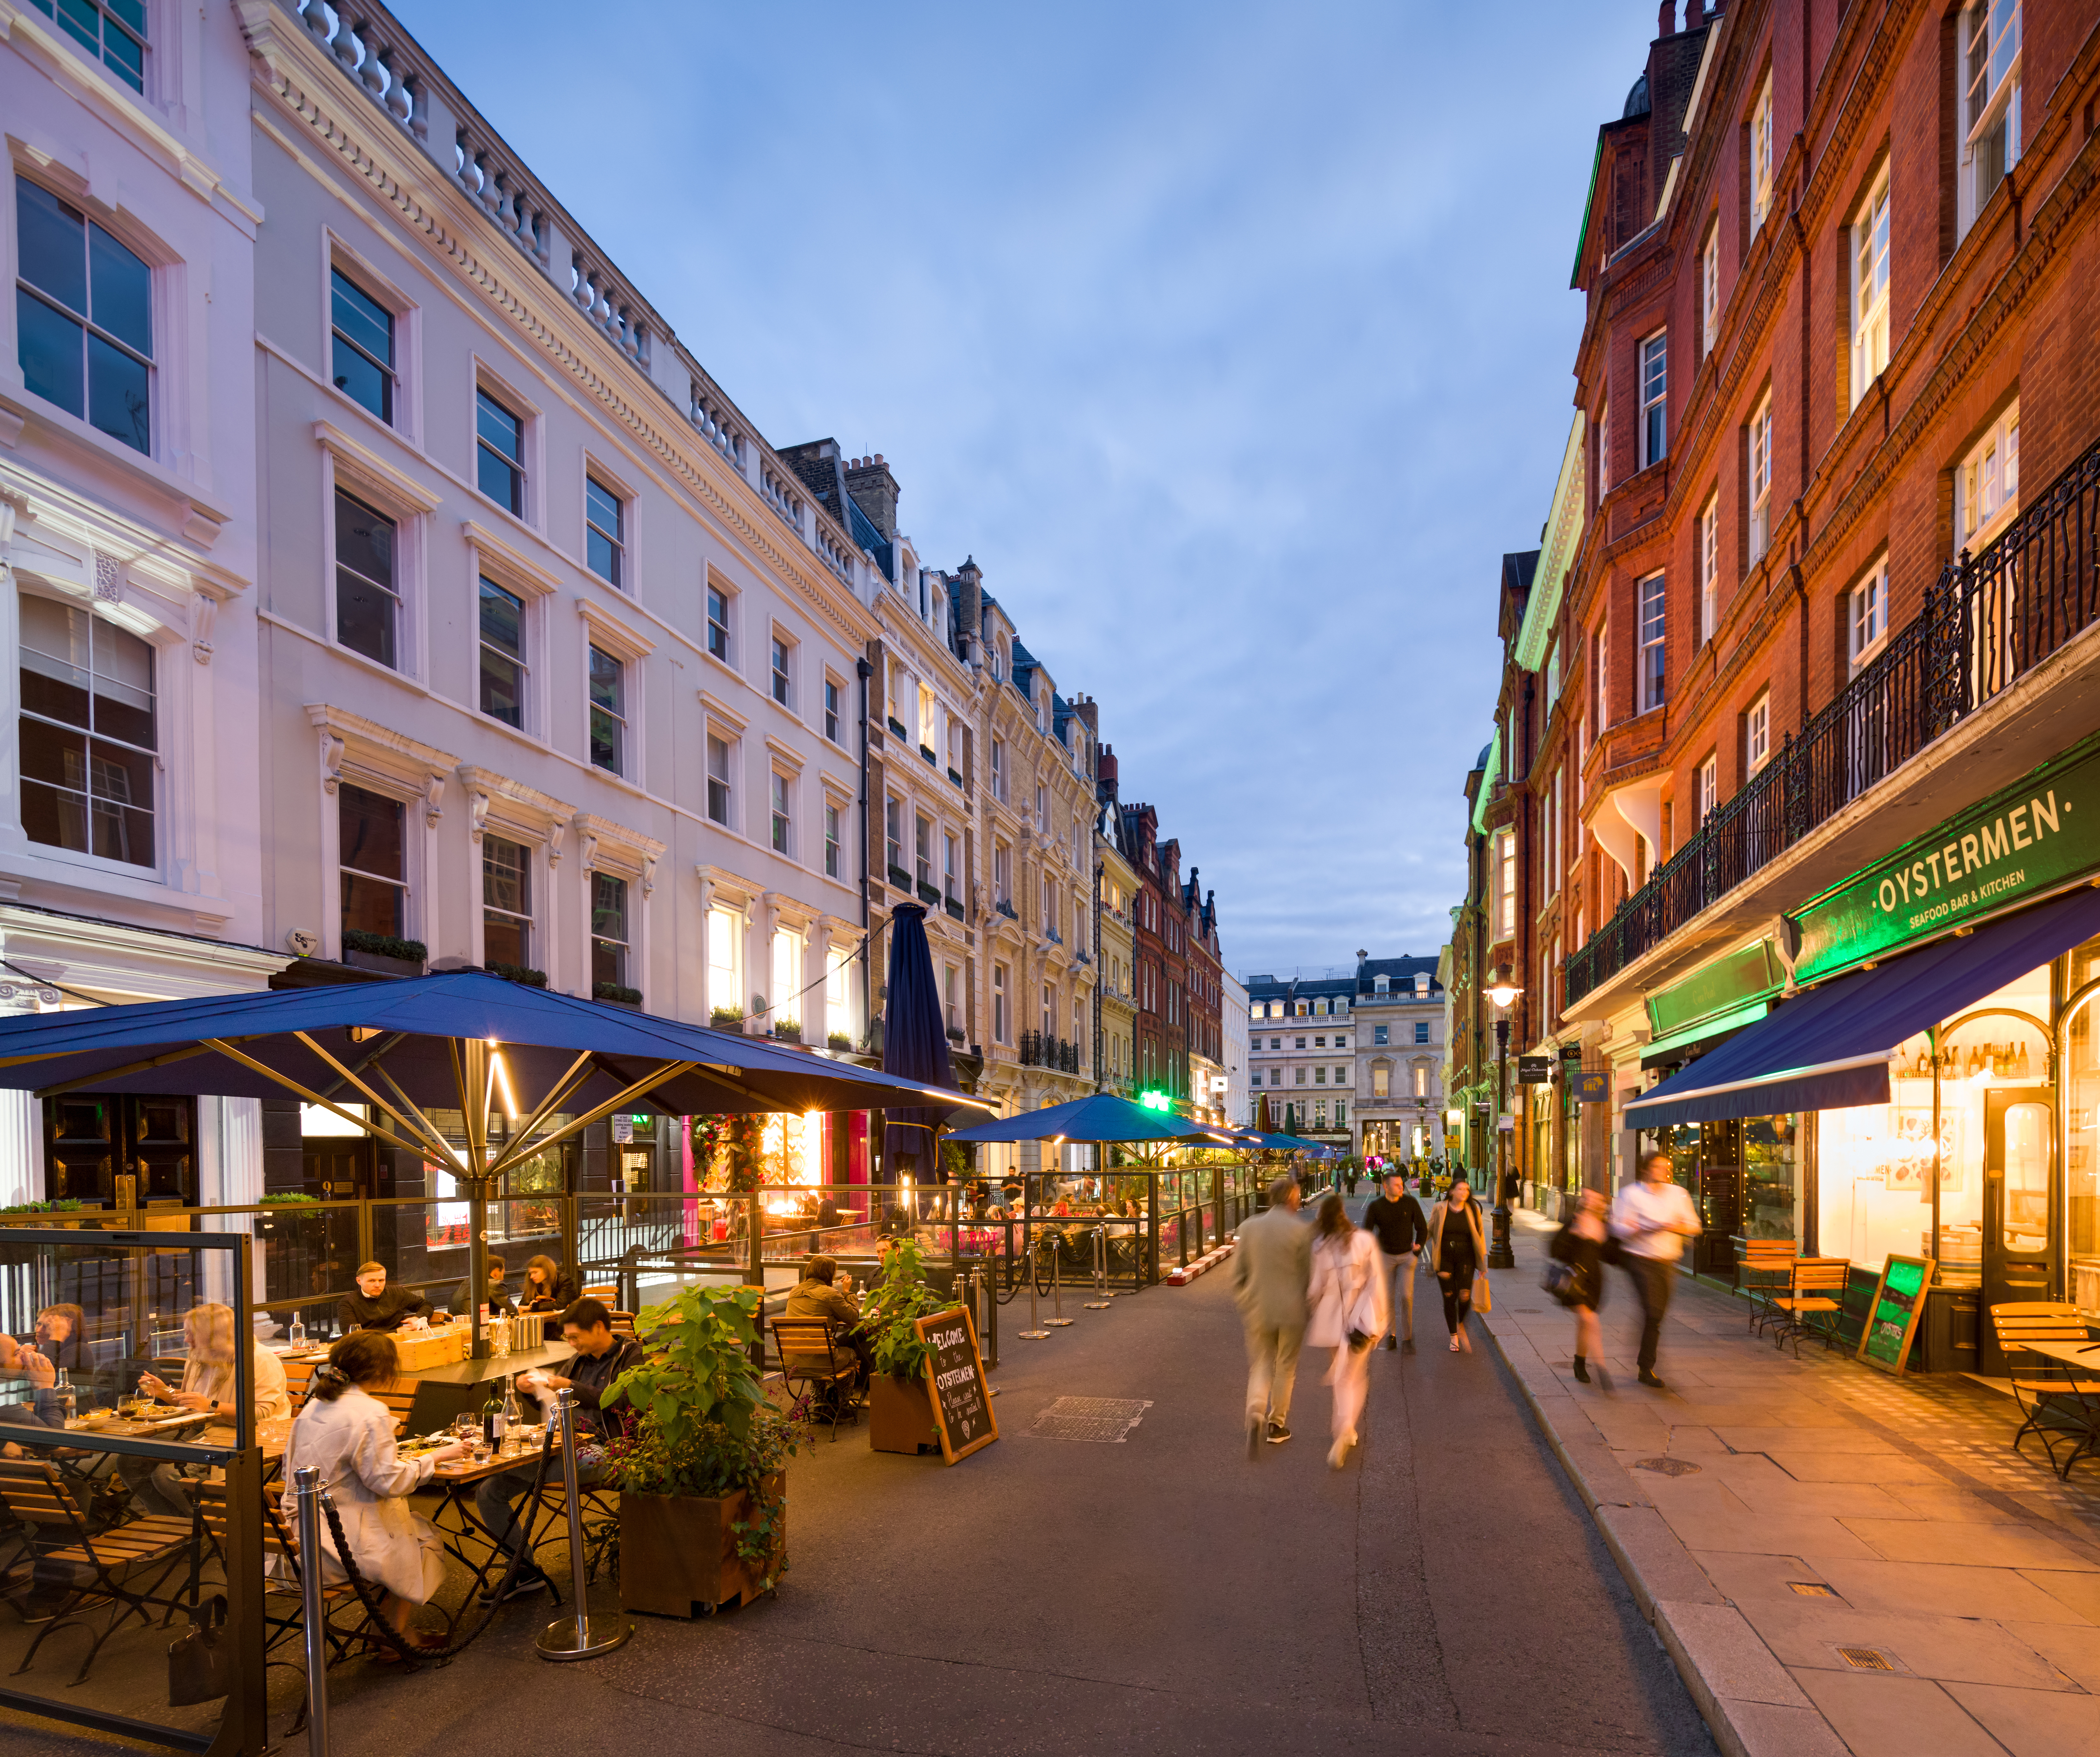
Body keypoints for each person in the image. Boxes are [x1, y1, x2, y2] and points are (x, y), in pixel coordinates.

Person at [285, 1330, 466, 1654]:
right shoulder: (371, 1412)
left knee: (406, 1528)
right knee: (422, 1537)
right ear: (385, 1370)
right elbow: (388, 1482)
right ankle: (395, 1639)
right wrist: (435, 1456)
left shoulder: (314, 1405)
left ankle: (386, 1632)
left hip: (298, 1541)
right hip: (336, 1546)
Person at [477, 1298, 645, 1601]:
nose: (570, 1343)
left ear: (598, 1328)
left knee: (514, 1465)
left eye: (573, 1337)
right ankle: (525, 1570)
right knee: (488, 1491)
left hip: (613, 1450)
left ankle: (501, 1463)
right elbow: (554, 1403)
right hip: (567, 1445)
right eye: (568, 1337)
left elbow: (624, 1402)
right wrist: (532, 1392)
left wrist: (567, 1384)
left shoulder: (632, 1356)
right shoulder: (578, 1360)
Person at [130, 1303, 293, 1516]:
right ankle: (178, 1523)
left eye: (191, 1333)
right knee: (130, 1461)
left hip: (247, 1437)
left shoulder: (258, 1359)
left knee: (166, 1475)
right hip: (202, 1427)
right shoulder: (199, 1357)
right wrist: (163, 1392)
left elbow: (262, 1414)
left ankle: (210, 1527)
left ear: (213, 1335)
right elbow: (191, 1401)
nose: (186, 1339)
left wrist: (211, 1406)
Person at [1306, 1194, 1386, 1469]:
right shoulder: (1364, 1241)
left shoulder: (1320, 1245)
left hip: (1331, 1320)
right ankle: (1345, 1429)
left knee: (1341, 1379)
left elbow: (1315, 1289)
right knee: (1355, 1376)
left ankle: (1345, 1429)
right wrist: (1383, 1318)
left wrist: (1311, 1307)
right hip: (1360, 1319)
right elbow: (1376, 1281)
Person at [1233, 1174, 1311, 1455]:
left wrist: (1247, 1302)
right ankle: (1277, 1426)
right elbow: (1308, 1277)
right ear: (1292, 1198)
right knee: (1286, 1367)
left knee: (1262, 1364)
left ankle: (1255, 1410)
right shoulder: (1303, 1232)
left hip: (1259, 1309)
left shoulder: (1250, 1228)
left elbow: (1238, 1275)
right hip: (1292, 1311)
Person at [1611, 1152, 1703, 1389]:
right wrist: (1639, 1228)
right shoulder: (1631, 1194)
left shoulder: (1678, 1194)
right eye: (1658, 1167)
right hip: (1640, 1260)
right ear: (1646, 1170)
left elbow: (1695, 1226)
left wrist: (1674, 1225)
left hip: (1668, 1263)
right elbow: (1618, 1229)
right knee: (1653, 1311)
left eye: (1667, 1167)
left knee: (1657, 1315)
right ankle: (1646, 1367)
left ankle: (1644, 1355)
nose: (1664, 1171)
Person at [783, 1255, 872, 1404]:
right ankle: (841, 1404)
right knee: (851, 1353)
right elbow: (852, 1318)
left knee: (822, 1351)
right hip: (824, 1362)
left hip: (793, 1362)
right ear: (830, 1275)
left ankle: (819, 1401)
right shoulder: (830, 1294)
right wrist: (847, 1292)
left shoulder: (794, 1292)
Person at [1550, 1188, 1612, 1389]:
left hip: (1594, 1281)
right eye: (1590, 1198)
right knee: (1590, 1320)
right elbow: (1554, 1250)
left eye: (1598, 1199)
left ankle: (1580, 1363)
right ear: (1585, 1202)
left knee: (1585, 1324)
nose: (1594, 1202)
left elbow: (1612, 1256)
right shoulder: (1575, 1221)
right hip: (1574, 1280)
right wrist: (1573, 1233)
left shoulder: (1603, 1225)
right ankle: (1602, 1368)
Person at [1360, 1169, 1428, 1352]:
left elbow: (1423, 1228)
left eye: (1402, 1184)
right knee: (1388, 1298)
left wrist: (1419, 1247)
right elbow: (1366, 1233)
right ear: (1386, 1187)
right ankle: (1392, 1335)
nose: (1402, 1187)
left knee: (1407, 1296)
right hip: (1385, 1257)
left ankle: (1407, 1338)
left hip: (1407, 1257)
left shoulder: (1411, 1203)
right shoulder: (1376, 1206)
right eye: (1398, 1185)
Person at [1428, 1176, 1487, 1352]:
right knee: (1449, 1296)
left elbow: (1481, 1236)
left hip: (1466, 1258)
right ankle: (1454, 1335)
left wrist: (1483, 1264)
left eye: (1467, 1190)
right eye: (1461, 1189)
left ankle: (1460, 1324)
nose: (1464, 1193)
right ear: (1452, 1191)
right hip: (1445, 1256)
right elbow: (1430, 1229)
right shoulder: (1439, 1208)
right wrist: (1415, 1247)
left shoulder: (1472, 1210)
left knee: (1464, 1296)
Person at [336, 1263, 429, 1334]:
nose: (378, 1285)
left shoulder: (397, 1292)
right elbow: (352, 1335)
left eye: (381, 1280)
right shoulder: (348, 1303)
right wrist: (396, 1332)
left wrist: (418, 1317)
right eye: (372, 1281)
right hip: (369, 1347)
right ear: (359, 1281)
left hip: (401, 1340)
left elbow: (426, 1305)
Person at [449, 1256, 513, 1321]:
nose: (503, 1279)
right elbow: (512, 1313)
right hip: (479, 1326)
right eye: (503, 1274)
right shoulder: (496, 1285)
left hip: (456, 1326)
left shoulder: (465, 1283)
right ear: (496, 1272)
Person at [32, 1304, 89, 1375]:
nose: (39, 1330)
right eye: (39, 1324)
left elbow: (41, 1374)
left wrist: (56, 1337)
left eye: (48, 1326)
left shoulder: (81, 1349)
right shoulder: (56, 1350)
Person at [515, 1255, 579, 1313]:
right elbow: (522, 1305)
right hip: (546, 1320)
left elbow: (560, 1304)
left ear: (547, 1270)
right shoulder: (534, 1283)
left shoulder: (564, 1280)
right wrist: (530, 1305)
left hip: (568, 1319)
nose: (531, 1277)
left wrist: (532, 1307)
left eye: (535, 1272)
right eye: (531, 1273)